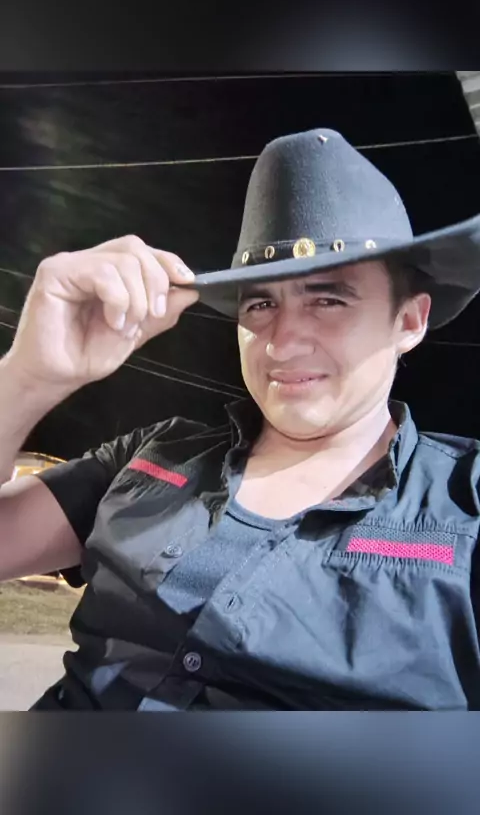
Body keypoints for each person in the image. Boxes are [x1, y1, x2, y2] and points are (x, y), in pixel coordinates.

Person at [1, 128, 480, 711]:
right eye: (261, 303)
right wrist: (29, 376)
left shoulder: (466, 503)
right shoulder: (150, 458)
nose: (282, 340)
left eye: (328, 299)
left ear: (409, 321)